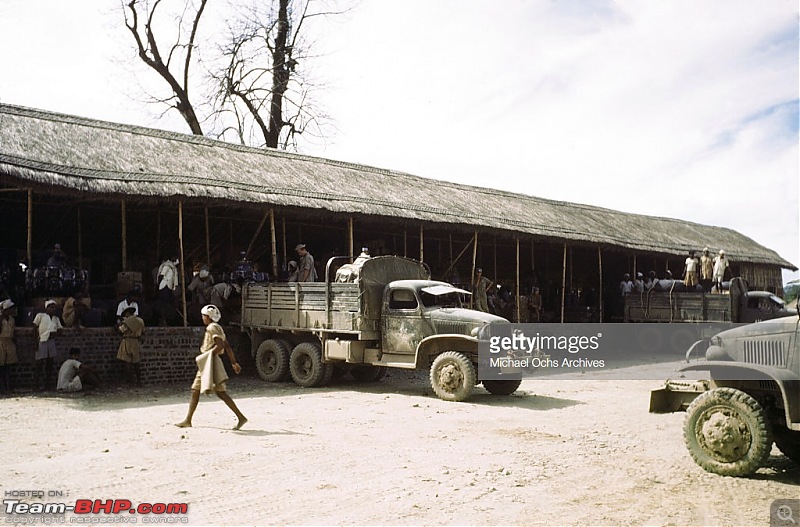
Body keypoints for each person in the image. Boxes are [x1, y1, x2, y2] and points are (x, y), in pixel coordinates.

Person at [175, 305, 247, 430]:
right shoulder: (217, 327)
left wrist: (207, 356)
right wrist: (234, 363)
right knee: (198, 390)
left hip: (210, 362)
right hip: (210, 361)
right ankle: (188, 419)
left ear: (208, 317)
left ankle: (240, 417)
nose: (202, 318)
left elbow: (219, 346)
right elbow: (227, 346)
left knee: (217, 392)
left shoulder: (212, 327)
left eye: (204, 316)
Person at [32, 299, 63, 391]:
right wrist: (35, 342)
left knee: (50, 363)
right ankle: (36, 385)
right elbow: (34, 328)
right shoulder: (40, 316)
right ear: (47, 308)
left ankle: (47, 385)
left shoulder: (56, 319)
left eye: (54, 308)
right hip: (42, 340)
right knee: (39, 364)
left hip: (51, 341)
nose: (53, 310)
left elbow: (60, 330)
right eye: (51, 308)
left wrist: (55, 334)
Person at [116, 306, 145, 385]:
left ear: (128, 313)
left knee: (127, 362)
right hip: (135, 341)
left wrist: (119, 324)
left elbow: (120, 331)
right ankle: (139, 381)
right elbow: (143, 331)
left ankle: (130, 381)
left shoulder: (127, 322)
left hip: (127, 340)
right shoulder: (140, 320)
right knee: (136, 362)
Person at [0, 299, 18, 394]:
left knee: (8, 365)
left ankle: (8, 387)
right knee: (1, 365)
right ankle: (3, 387)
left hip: (9, 341)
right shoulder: (1, 319)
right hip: (1, 341)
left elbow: (13, 332)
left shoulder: (12, 319)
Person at [157, 257, 180, 325]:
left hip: (169, 287)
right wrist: (158, 286)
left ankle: (168, 319)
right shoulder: (167, 266)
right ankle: (162, 320)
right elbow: (161, 276)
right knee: (164, 304)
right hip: (164, 287)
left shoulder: (173, 267)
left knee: (172, 302)